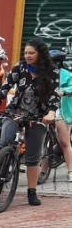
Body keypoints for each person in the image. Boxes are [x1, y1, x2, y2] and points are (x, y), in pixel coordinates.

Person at [0, 39, 60, 205]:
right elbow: (5, 87)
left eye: (31, 53)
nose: (27, 56)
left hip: (39, 116)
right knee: (3, 142)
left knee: (33, 157)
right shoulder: (20, 67)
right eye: (26, 53)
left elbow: (55, 95)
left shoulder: (52, 72)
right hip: (15, 111)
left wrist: (51, 112)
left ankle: (31, 192)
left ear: (40, 54)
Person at [50, 50, 72, 182]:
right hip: (44, 109)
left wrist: (64, 91)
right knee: (44, 141)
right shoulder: (42, 74)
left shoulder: (67, 75)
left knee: (64, 142)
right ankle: (43, 170)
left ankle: (70, 171)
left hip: (61, 110)